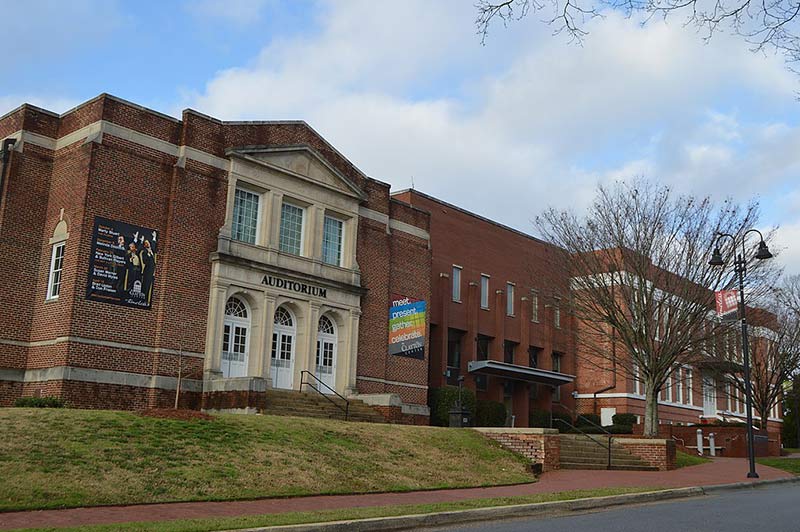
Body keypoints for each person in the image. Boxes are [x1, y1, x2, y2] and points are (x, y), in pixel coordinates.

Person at [139, 240, 157, 305]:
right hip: (147, 272)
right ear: (144, 245)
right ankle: (143, 300)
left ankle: (146, 300)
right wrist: (148, 255)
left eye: (148, 242)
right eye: (146, 243)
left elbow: (153, 263)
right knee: (145, 286)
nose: (148, 244)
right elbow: (145, 262)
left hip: (151, 272)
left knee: (149, 286)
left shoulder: (151, 251)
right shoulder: (144, 252)